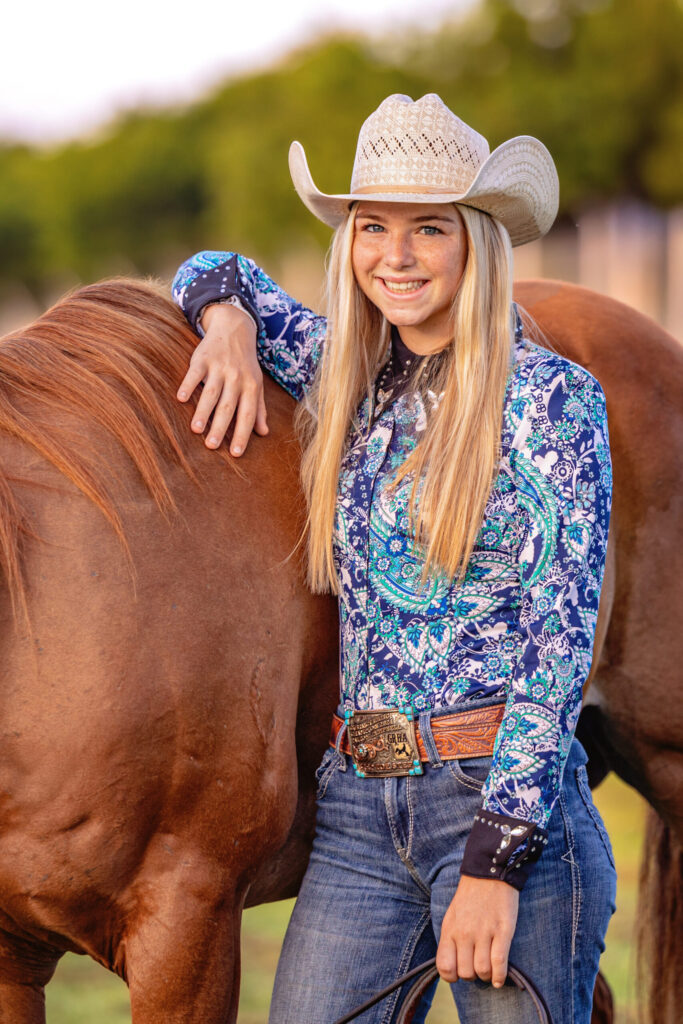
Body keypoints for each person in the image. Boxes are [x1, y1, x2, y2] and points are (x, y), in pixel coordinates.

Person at [171, 94, 616, 1024]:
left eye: (427, 229)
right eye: (371, 226)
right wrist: (227, 322)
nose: (395, 256)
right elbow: (216, 269)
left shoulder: (551, 400)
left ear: (476, 241)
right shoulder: (346, 373)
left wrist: (495, 863)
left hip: (500, 806)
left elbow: (558, 639)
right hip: (358, 815)